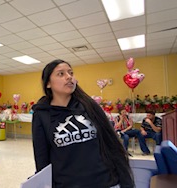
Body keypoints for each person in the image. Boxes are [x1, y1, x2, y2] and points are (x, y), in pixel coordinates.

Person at [32, 59, 134, 188]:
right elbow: (41, 158)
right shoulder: (41, 114)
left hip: (105, 182)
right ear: (48, 84)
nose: (69, 77)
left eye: (71, 73)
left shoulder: (89, 106)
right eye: (61, 74)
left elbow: (112, 145)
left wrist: (127, 183)